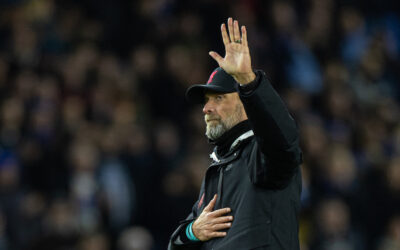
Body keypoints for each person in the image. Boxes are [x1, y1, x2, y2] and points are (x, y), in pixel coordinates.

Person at [168, 18, 302, 250]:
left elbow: (284, 142)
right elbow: (176, 244)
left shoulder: (262, 154)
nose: (206, 109)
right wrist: (192, 231)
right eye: (206, 101)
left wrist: (248, 82)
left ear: (244, 104)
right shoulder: (218, 166)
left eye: (218, 98)